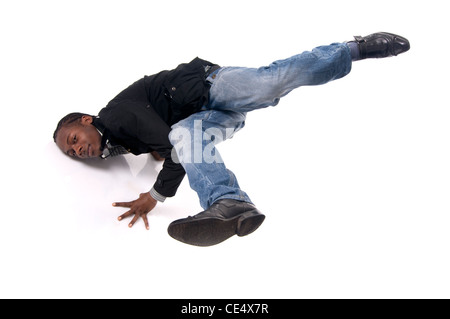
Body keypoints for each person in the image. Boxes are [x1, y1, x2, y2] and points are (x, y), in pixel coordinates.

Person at [53, 32, 410, 246]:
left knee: (272, 82)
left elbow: (164, 142)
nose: (77, 149)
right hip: (211, 116)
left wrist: (155, 195)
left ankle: (354, 48)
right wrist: (161, 151)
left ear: (86, 120)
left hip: (210, 85)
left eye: (73, 138)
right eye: (71, 152)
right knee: (183, 135)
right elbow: (169, 144)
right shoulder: (122, 140)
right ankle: (230, 204)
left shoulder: (115, 116)